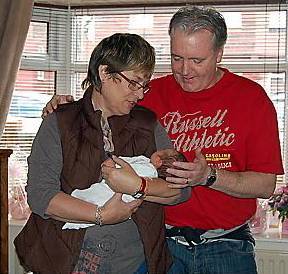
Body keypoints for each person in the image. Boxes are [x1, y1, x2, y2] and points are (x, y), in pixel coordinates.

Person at [41, 6, 284, 274]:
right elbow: (105, 102)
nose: (185, 70)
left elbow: (265, 185)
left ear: (219, 54)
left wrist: (209, 176)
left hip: (225, 245)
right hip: (160, 242)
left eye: (196, 60)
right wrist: (65, 107)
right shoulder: (151, 93)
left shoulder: (252, 99)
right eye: (176, 58)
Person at [14, 33, 190, 274]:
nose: (139, 94)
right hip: (68, 261)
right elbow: (41, 195)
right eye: (133, 83)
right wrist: (101, 215)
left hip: (140, 263)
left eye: (144, 85)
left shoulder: (147, 123)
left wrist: (138, 185)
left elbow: (181, 189)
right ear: (105, 73)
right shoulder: (60, 122)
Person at [63, 151, 187, 230]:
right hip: (119, 202)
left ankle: (72, 212)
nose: (159, 149)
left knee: (91, 199)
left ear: (159, 161)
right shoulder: (151, 173)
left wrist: (112, 164)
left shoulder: (147, 169)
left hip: (112, 195)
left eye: (163, 151)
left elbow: (122, 172)